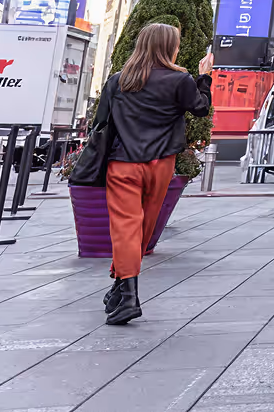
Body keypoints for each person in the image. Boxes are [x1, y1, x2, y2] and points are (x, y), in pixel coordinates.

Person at [98, 24, 211, 325]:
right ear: (169, 47)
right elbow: (201, 109)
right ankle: (123, 290)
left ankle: (126, 291)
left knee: (127, 229)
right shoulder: (180, 80)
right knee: (144, 228)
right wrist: (205, 78)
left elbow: (100, 124)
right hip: (161, 164)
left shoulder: (117, 81)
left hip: (122, 164)